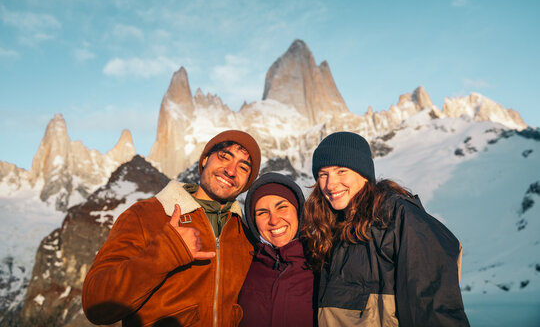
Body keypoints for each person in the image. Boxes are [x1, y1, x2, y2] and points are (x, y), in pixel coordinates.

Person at [82, 130, 261, 327]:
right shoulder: (145, 215)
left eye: (243, 168)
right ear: (204, 160)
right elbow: (96, 306)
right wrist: (167, 251)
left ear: (246, 184)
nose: (231, 170)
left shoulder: (246, 235)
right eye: (224, 156)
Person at [302, 131, 470, 327]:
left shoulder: (397, 218)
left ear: (364, 174)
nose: (330, 184)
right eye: (323, 175)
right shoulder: (329, 229)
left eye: (341, 171)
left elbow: (433, 309)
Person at [238, 172, 316, 327]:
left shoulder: (321, 264)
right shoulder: (243, 267)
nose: (273, 220)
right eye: (262, 213)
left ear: (299, 211)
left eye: (282, 207)